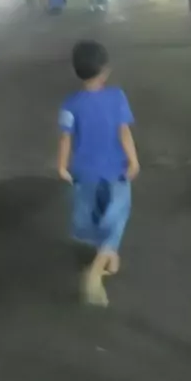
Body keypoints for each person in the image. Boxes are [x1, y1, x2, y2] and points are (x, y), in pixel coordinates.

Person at [58, 41, 139, 307]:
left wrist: (61, 166)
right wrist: (133, 161)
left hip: (84, 173)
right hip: (115, 171)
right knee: (117, 216)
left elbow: (65, 138)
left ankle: (107, 255)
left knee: (93, 216)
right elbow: (123, 132)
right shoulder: (116, 97)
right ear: (105, 70)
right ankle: (94, 273)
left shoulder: (70, 104)